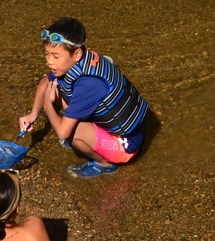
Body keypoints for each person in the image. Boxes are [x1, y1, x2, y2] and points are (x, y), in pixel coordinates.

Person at [18, 18, 148, 178]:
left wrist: (47, 104)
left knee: (71, 131)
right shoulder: (81, 60)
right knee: (58, 86)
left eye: (56, 56)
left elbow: (62, 133)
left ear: (77, 53)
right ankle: (90, 139)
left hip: (126, 146)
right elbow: (45, 82)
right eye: (46, 54)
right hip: (118, 129)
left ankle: (104, 164)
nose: (49, 61)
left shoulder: (90, 84)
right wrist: (33, 114)